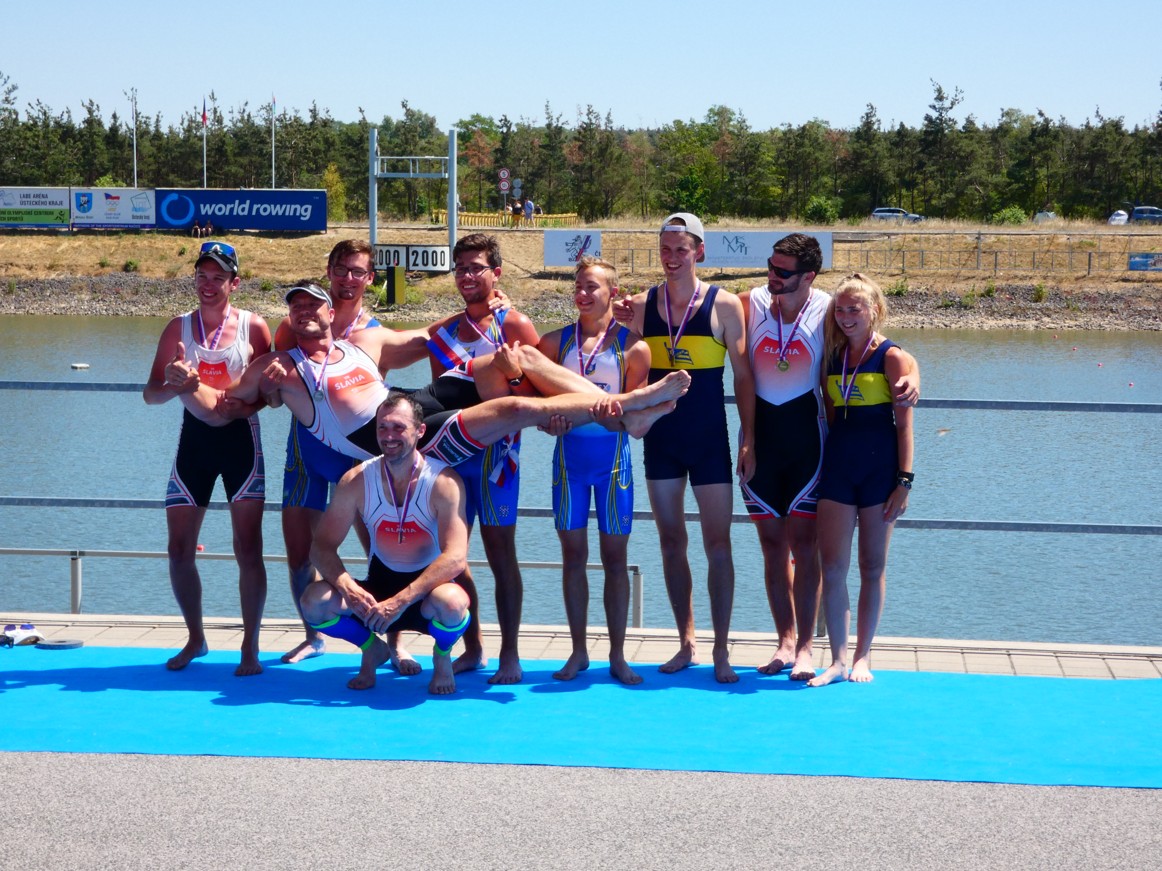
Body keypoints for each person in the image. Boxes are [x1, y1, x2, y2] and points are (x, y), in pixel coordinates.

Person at [739, 234, 921, 680]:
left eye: (782, 270)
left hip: (814, 447)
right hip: (768, 446)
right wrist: (632, 313)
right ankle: (789, 644)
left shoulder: (827, 308)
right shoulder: (748, 303)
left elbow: (890, 353)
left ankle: (812, 649)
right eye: (770, 266)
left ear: (808, 276)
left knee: (812, 549)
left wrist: (915, 374)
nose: (772, 275)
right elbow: (691, 303)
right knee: (773, 548)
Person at [272, 239, 439, 669]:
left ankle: (394, 640)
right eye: (341, 269)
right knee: (299, 551)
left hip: (360, 454)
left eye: (358, 272)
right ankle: (313, 636)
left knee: (385, 550)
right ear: (329, 271)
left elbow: (431, 341)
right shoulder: (298, 321)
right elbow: (273, 386)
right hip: (308, 450)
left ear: (370, 278)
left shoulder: (373, 333)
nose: (348, 279)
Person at [613, 213, 755, 683]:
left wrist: (749, 438)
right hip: (662, 442)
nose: (672, 258)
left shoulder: (724, 305)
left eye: (681, 249)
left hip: (709, 441)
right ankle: (686, 642)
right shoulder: (640, 306)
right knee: (672, 542)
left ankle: (721, 649)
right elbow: (612, 353)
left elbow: (744, 378)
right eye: (665, 250)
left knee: (718, 544)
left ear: (700, 252)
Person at [142, 240, 272, 676]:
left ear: (236, 283)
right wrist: (173, 384)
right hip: (194, 445)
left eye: (219, 277)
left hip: (241, 444)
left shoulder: (255, 327)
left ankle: (250, 648)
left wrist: (248, 406)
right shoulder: (177, 329)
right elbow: (150, 395)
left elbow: (269, 395)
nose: (208, 284)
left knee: (248, 549)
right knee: (179, 549)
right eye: (202, 276)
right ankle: (196, 638)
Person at [424, 233, 540, 684]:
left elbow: (539, 396)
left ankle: (511, 654)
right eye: (461, 268)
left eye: (477, 267)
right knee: (453, 557)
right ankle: (472, 648)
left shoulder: (515, 325)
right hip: (454, 457)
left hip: (498, 460)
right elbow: (441, 398)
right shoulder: (443, 334)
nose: (467, 275)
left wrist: (513, 376)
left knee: (501, 554)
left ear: (497, 273)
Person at [304, 392, 472, 695]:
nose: (389, 436)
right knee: (314, 602)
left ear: (420, 431)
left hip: (425, 595)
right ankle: (372, 648)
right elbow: (321, 547)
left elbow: (456, 558)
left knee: (454, 604)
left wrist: (401, 601)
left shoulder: (444, 482)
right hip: (378, 591)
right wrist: (347, 587)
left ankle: (442, 654)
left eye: (398, 427)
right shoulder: (356, 481)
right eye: (382, 427)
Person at [537, 257, 650, 685]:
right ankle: (578, 651)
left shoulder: (634, 348)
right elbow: (537, 405)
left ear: (613, 293)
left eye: (592, 287)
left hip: (613, 466)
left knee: (615, 559)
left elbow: (636, 417)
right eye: (579, 287)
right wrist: (549, 423)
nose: (583, 294)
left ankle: (618, 655)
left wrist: (613, 419)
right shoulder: (554, 343)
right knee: (572, 557)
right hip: (569, 463)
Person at [809, 274, 915, 687]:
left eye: (855, 309)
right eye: (840, 309)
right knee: (832, 567)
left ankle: (863, 655)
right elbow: (831, 414)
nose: (846, 316)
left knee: (872, 566)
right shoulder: (831, 356)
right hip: (839, 468)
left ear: (875, 310)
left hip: (880, 473)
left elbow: (905, 427)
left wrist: (904, 482)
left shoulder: (892, 357)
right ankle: (837, 659)